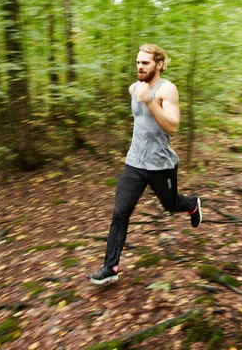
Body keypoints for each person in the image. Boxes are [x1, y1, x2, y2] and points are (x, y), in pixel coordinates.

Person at [87, 44, 202, 285]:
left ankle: (192, 204)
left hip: (161, 165)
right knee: (120, 213)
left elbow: (173, 126)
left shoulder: (167, 90)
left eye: (145, 62)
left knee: (170, 205)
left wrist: (151, 102)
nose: (139, 66)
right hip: (135, 163)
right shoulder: (133, 88)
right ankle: (110, 267)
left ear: (159, 64)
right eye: (138, 62)